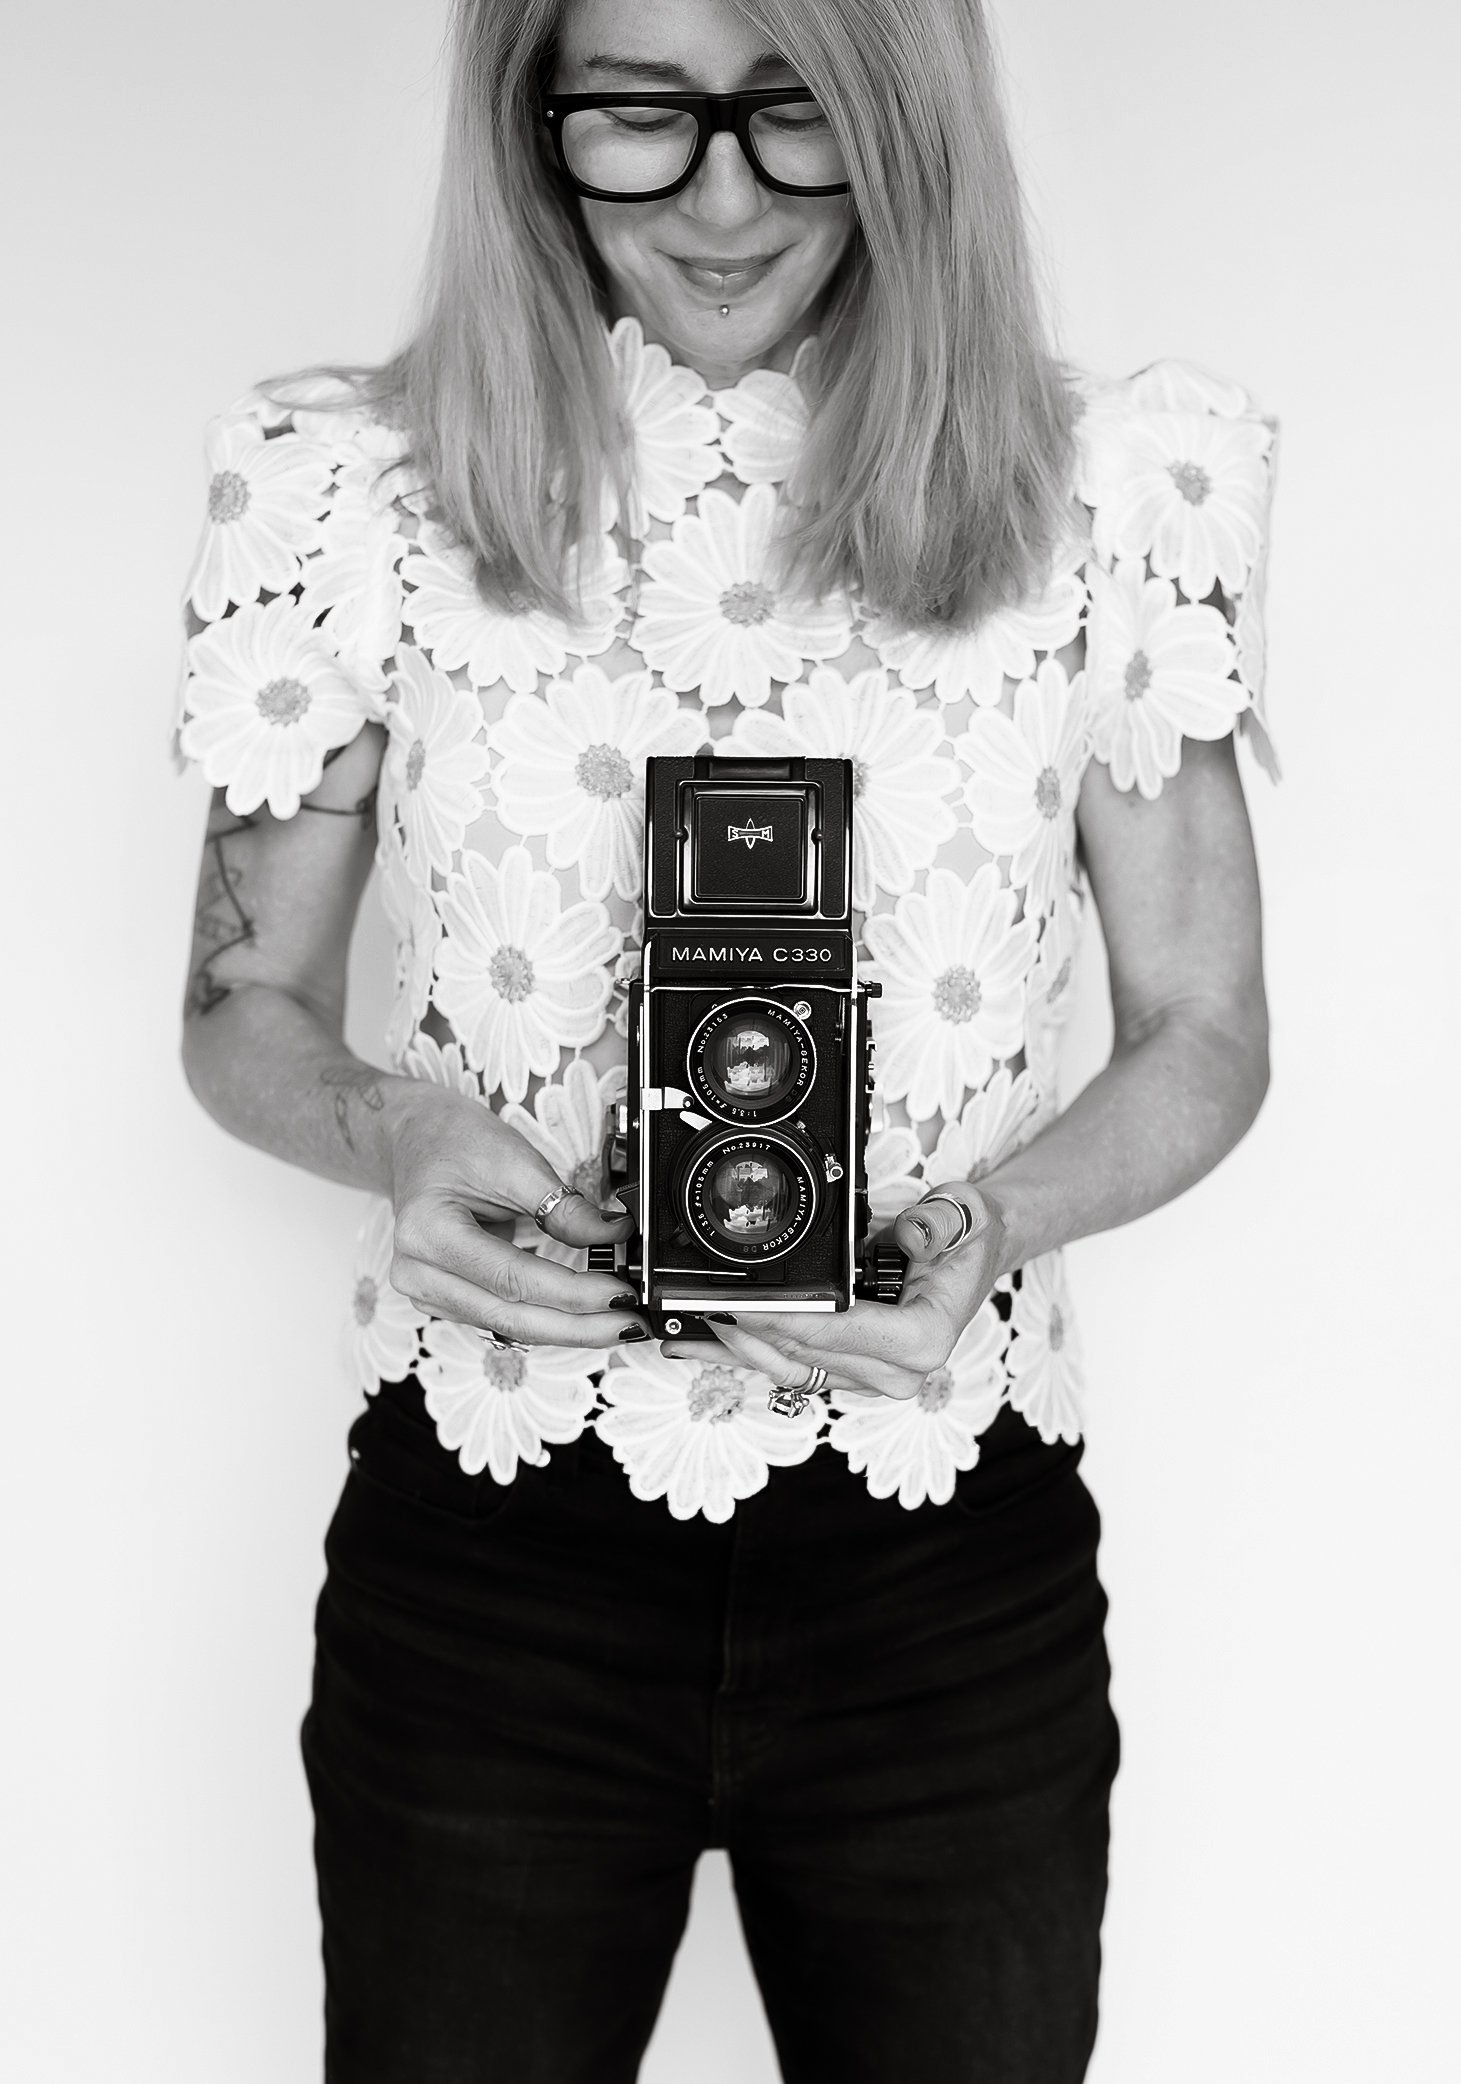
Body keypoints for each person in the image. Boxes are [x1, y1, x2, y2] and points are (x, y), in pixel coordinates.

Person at [175, 0, 1277, 2076]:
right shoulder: (343, 489)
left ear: (903, 120)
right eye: (631, 116)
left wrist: (987, 1220)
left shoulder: (1114, 489)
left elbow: (1204, 1028)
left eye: (792, 114)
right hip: (488, 1548)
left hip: (946, 1556)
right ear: (528, 119)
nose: (712, 194)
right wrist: (396, 1131)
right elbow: (240, 1006)